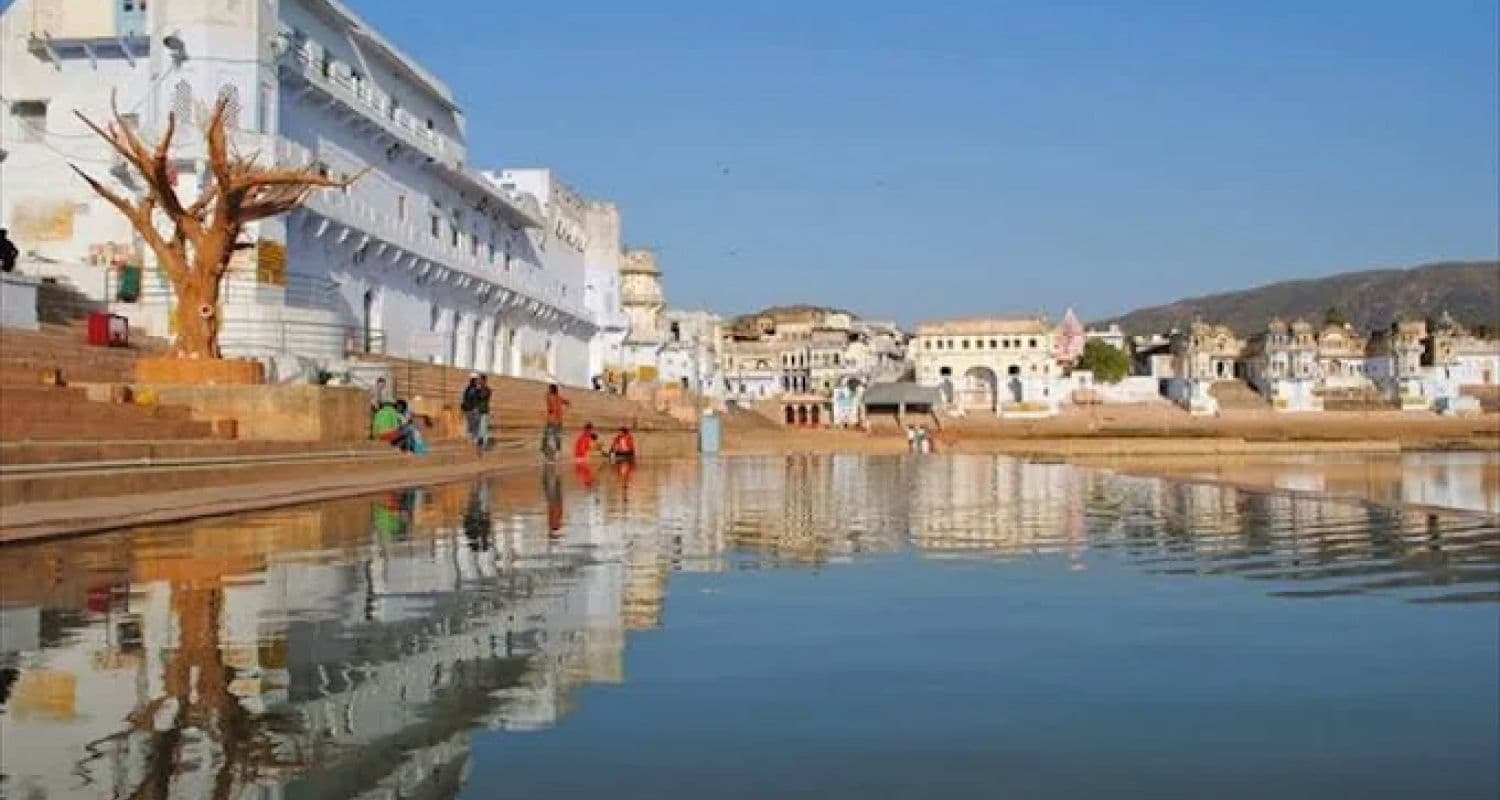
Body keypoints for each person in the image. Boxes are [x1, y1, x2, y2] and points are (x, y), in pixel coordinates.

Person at [461, 373, 491, 455]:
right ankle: (478, 446)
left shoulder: (487, 389)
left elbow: (482, 396)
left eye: (480, 380)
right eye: (478, 380)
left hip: (484, 412)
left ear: (484, 380)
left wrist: (479, 389)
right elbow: (468, 398)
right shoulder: (472, 389)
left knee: (482, 430)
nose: (478, 381)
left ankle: (482, 448)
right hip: (476, 412)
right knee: (476, 430)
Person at [542, 383, 570, 459]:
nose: (549, 390)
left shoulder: (558, 397)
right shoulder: (550, 396)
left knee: (556, 436)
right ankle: (544, 450)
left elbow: (567, 403)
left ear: (552, 389)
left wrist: (565, 407)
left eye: (550, 388)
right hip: (552, 420)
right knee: (547, 435)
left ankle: (556, 450)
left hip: (557, 420)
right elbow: (547, 398)